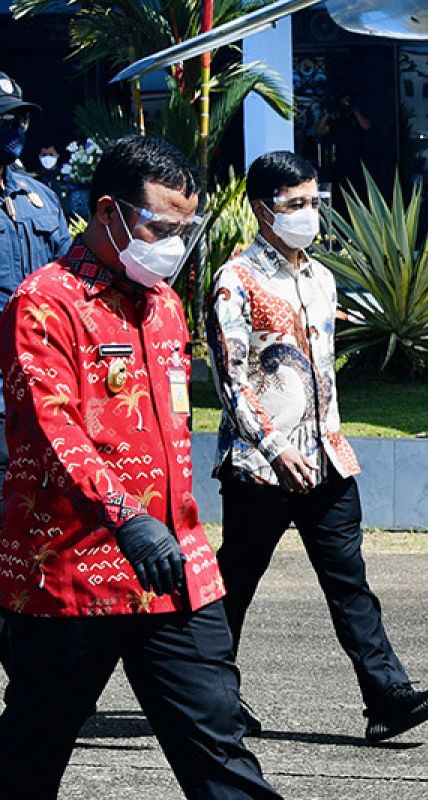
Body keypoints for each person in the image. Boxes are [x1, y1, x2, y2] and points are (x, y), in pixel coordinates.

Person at [0, 134, 280, 799]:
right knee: (31, 751)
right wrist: (127, 517)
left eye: (187, 228)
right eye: (160, 225)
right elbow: (49, 426)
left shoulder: (163, 305)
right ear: (107, 212)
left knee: (219, 748)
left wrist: (160, 531)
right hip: (68, 571)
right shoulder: (45, 303)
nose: (174, 243)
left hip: (172, 568)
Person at [206, 150, 428, 743]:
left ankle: (387, 697)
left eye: (315, 202)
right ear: (263, 210)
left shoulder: (320, 277)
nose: (309, 214)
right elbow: (230, 378)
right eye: (295, 205)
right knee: (233, 586)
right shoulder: (235, 281)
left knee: (349, 583)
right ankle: (211, 700)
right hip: (260, 468)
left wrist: (319, 441)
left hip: (327, 458)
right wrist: (271, 446)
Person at [0, 69, 70, 673]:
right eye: (4, 118)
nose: (14, 128)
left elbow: (64, 287)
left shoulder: (40, 198)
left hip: (39, 399)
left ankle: (35, 670)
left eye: (18, 117)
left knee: (36, 536)